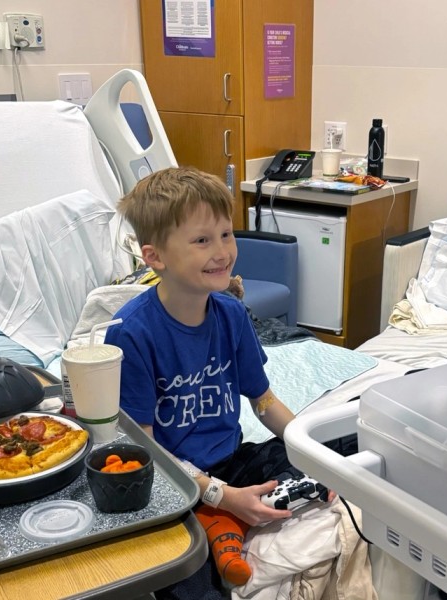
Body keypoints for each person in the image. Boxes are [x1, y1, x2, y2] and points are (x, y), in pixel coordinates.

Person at [104, 166, 325, 597]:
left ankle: (223, 522)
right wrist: (219, 496)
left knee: (329, 458)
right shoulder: (131, 333)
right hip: (172, 478)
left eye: (226, 234)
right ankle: (218, 524)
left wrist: (314, 452)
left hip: (230, 460)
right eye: (202, 241)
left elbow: (264, 402)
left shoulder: (232, 314)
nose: (222, 251)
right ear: (154, 257)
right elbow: (145, 447)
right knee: (184, 577)